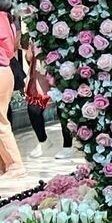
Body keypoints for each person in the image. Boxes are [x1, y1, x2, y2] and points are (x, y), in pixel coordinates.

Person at [20, 31, 75, 160]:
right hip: (40, 66)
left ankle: (68, 146)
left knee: (63, 106)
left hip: (62, 60)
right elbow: (28, 56)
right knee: (33, 108)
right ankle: (43, 141)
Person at [0, 0, 24, 180]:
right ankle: (5, 165)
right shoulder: (6, 19)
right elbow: (10, 48)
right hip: (4, 70)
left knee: (1, 122)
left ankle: (15, 165)